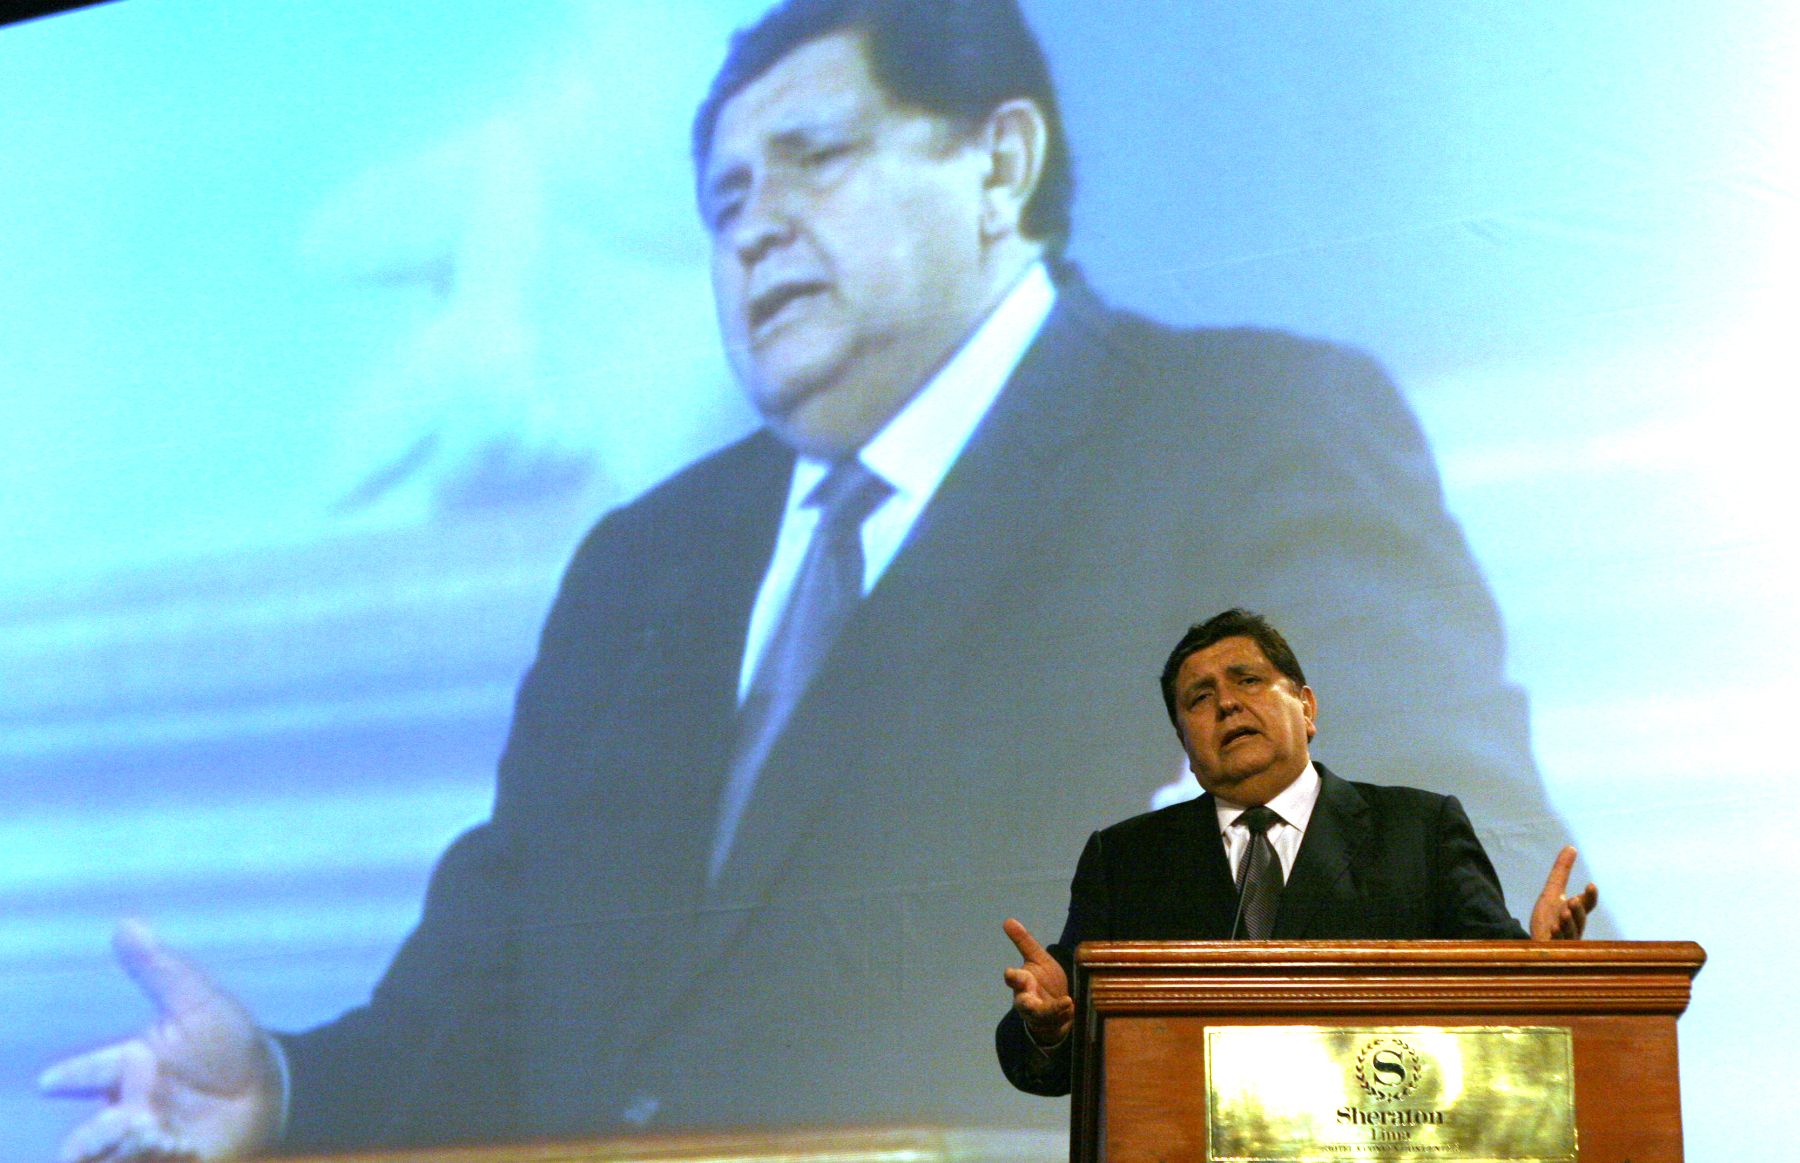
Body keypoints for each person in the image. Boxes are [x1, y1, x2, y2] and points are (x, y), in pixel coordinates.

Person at [42, 1, 1580, 1156]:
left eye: (815, 159)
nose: (755, 226)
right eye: (720, 203)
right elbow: (494, 1000)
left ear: (1000, 163)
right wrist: (285, 1088)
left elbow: (1452, 956)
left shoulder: (1238, 433)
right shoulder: (641, 565)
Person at [997, 609, 1597, 1096]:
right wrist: (1050, 1028)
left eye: (1247, 680)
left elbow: (1498, 997)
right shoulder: (1126, 859)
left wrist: (1545, 971)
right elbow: (1057, 1039)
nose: (1227, 703)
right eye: (1199, 699)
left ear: (1306, 708)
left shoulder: (1418, 828)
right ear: (1184, 742)